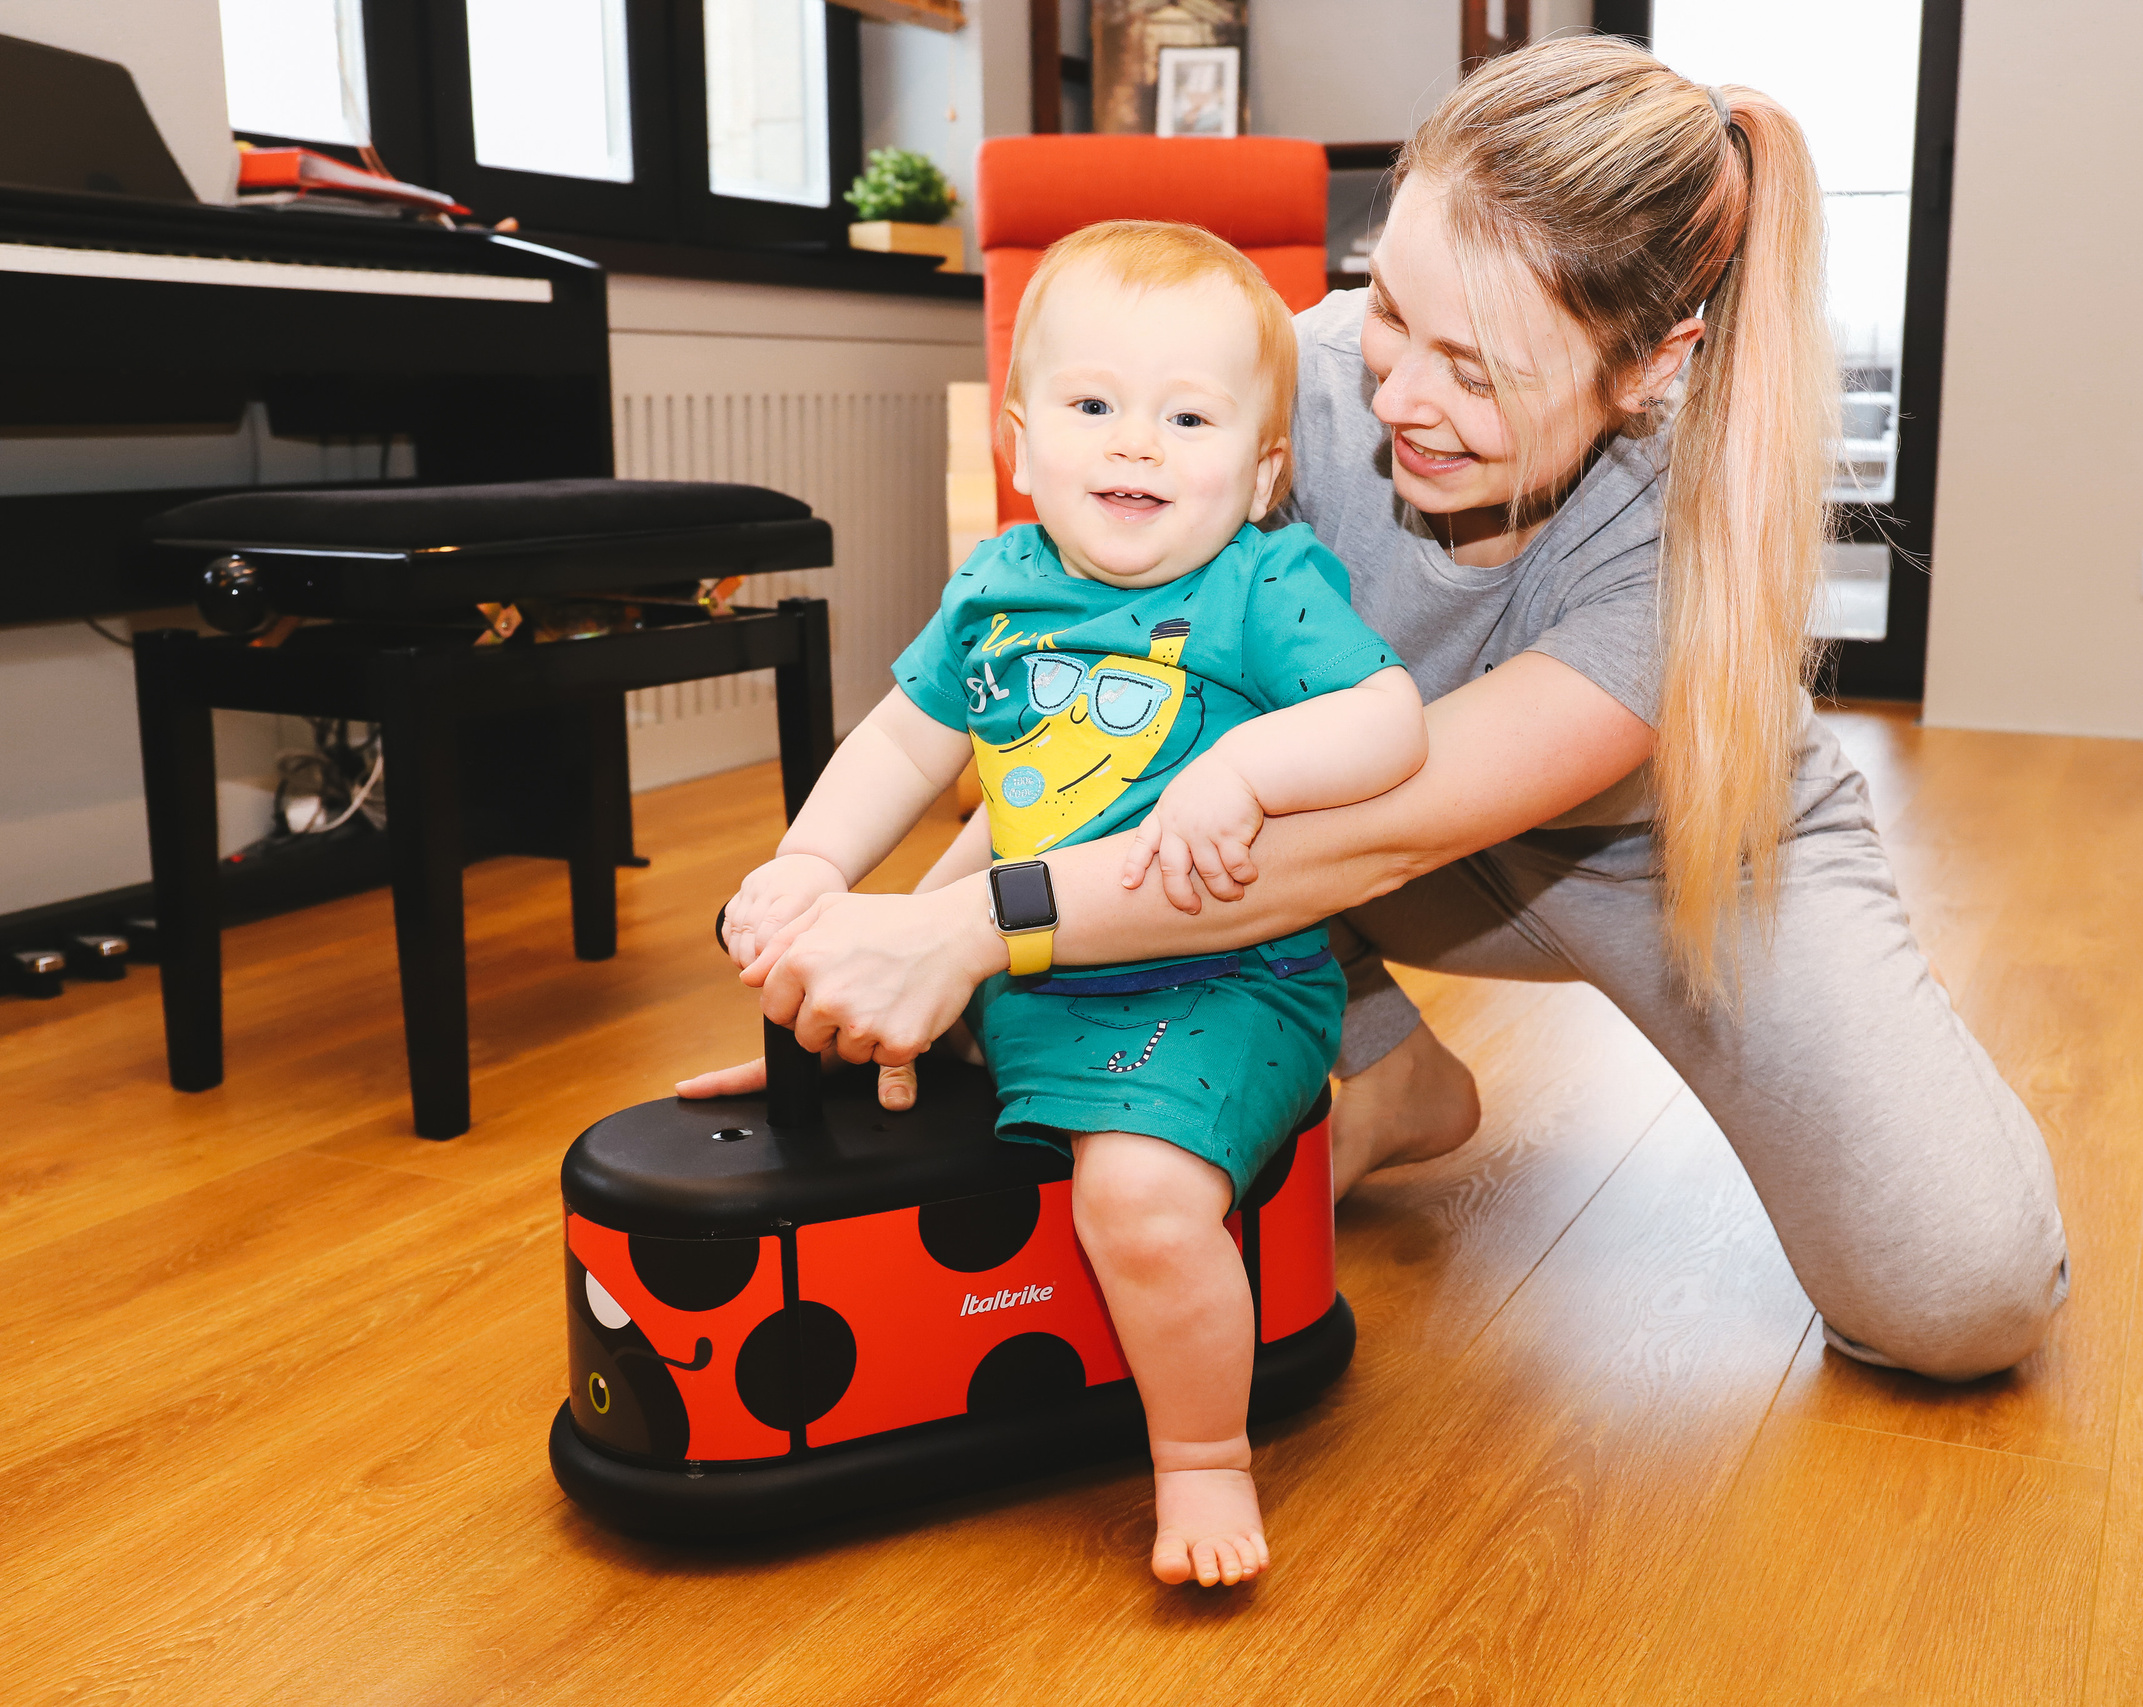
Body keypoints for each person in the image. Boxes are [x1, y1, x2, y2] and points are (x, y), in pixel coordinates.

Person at [690, 38, 2068, 1400]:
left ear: (1651, 366)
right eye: (1392, 305)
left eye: (1480, 373)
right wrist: (857, 984)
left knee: (1961, 1292)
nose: (1397, 394)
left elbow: (1363, 844)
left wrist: (958, 933)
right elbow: (1069, 708)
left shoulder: (1678, 560)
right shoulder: (1303, 384)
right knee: (1174, 760)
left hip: (1656, 862)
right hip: (1323, 821)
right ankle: (1398, 1082)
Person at [709, 220, 1426, 1587]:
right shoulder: (994, 589)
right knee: (851, 1047)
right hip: (1027, 977)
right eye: (1094, 408)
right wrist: (810, 869)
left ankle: (1204, 1455)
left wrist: (1245, 764)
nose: (1136, 446)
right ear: (1023, 448)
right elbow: (902, 743)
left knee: (1143, 1200)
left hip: (1217, 987)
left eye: (1188, 417)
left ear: (1265, 470)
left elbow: (1391, 724)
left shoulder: (1265, 585)